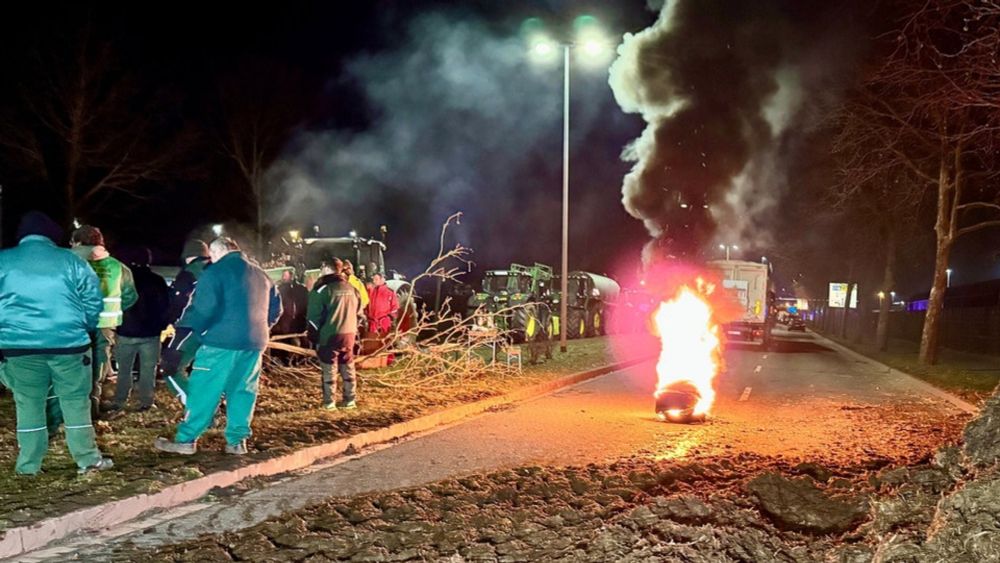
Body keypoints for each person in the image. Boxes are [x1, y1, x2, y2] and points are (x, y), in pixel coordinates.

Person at [0, 212, 113, 474]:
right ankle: (87, 460)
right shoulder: (71, 261)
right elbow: (93, 301)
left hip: (19, 348)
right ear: (51, 236)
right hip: (68, 346)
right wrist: (81, 328)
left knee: (28, 403)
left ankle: (28, 465)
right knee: (75, 402)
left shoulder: (3, 261)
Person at [154, 237, 281, 455]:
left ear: (216, 253)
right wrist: (261, 327)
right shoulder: (261, 274)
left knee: (204, 389)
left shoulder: (214, 273)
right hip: (254, 343)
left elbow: (203, 310)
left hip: (220, 343)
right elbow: (276, 309)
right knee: (243, 391)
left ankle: (186, 440)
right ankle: (237, 442)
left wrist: (196, 334)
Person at [70, 225, 138, 419]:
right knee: (98, 367)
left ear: (78, 242)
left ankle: (72, 413)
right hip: (106, 325)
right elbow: (130, 296)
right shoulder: (118, 267)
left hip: (76, 324)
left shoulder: (70, 263)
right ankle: (92, 409)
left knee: (72, 366)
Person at [110, 248, 169, 413]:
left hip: (126, 331)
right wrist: (161, 325)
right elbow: (166, 306)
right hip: (151, 333)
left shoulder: (123, 280)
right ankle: (146, 402)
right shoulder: (157, 281)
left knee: (124, 369)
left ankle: (120, 400)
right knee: (148, 370)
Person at [307, 258, 362, 410]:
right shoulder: (351, 287)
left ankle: (329, 402)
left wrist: (313, 337)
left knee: (329, 368)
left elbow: (313, 317)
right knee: (348, 365)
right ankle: (350, 400)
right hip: (349, 334)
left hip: (329, 335)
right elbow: (359, 311)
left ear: (326, 268)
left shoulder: (322, 289)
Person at [161, 239, 211, 405]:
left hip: (188, 328)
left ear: (188, 256)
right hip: (215, 330)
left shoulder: (189, 273)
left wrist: (169, 322)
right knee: (206, 372)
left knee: (170, 367)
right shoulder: (217, 271)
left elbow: (180, 303)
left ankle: (198, 409)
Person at [366, 272, 399, 363]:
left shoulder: (390, 293)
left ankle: (389, 359)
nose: (374, 281)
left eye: (376, 279)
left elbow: (395, 308)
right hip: (372, 322)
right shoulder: (371, 291)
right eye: (373, 279)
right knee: (372, 341)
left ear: (382, 280)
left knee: (386, 340)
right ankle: (374, 360)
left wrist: (390, 319)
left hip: (384, 321)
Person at [273, 270, 309, 339]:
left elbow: (306, 304)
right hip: (286, 324)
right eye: (283, 276)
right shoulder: (280, 289)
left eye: (285, 276)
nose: (283, 278)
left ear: (292, 276)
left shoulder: (302, 289)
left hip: (299, 323)